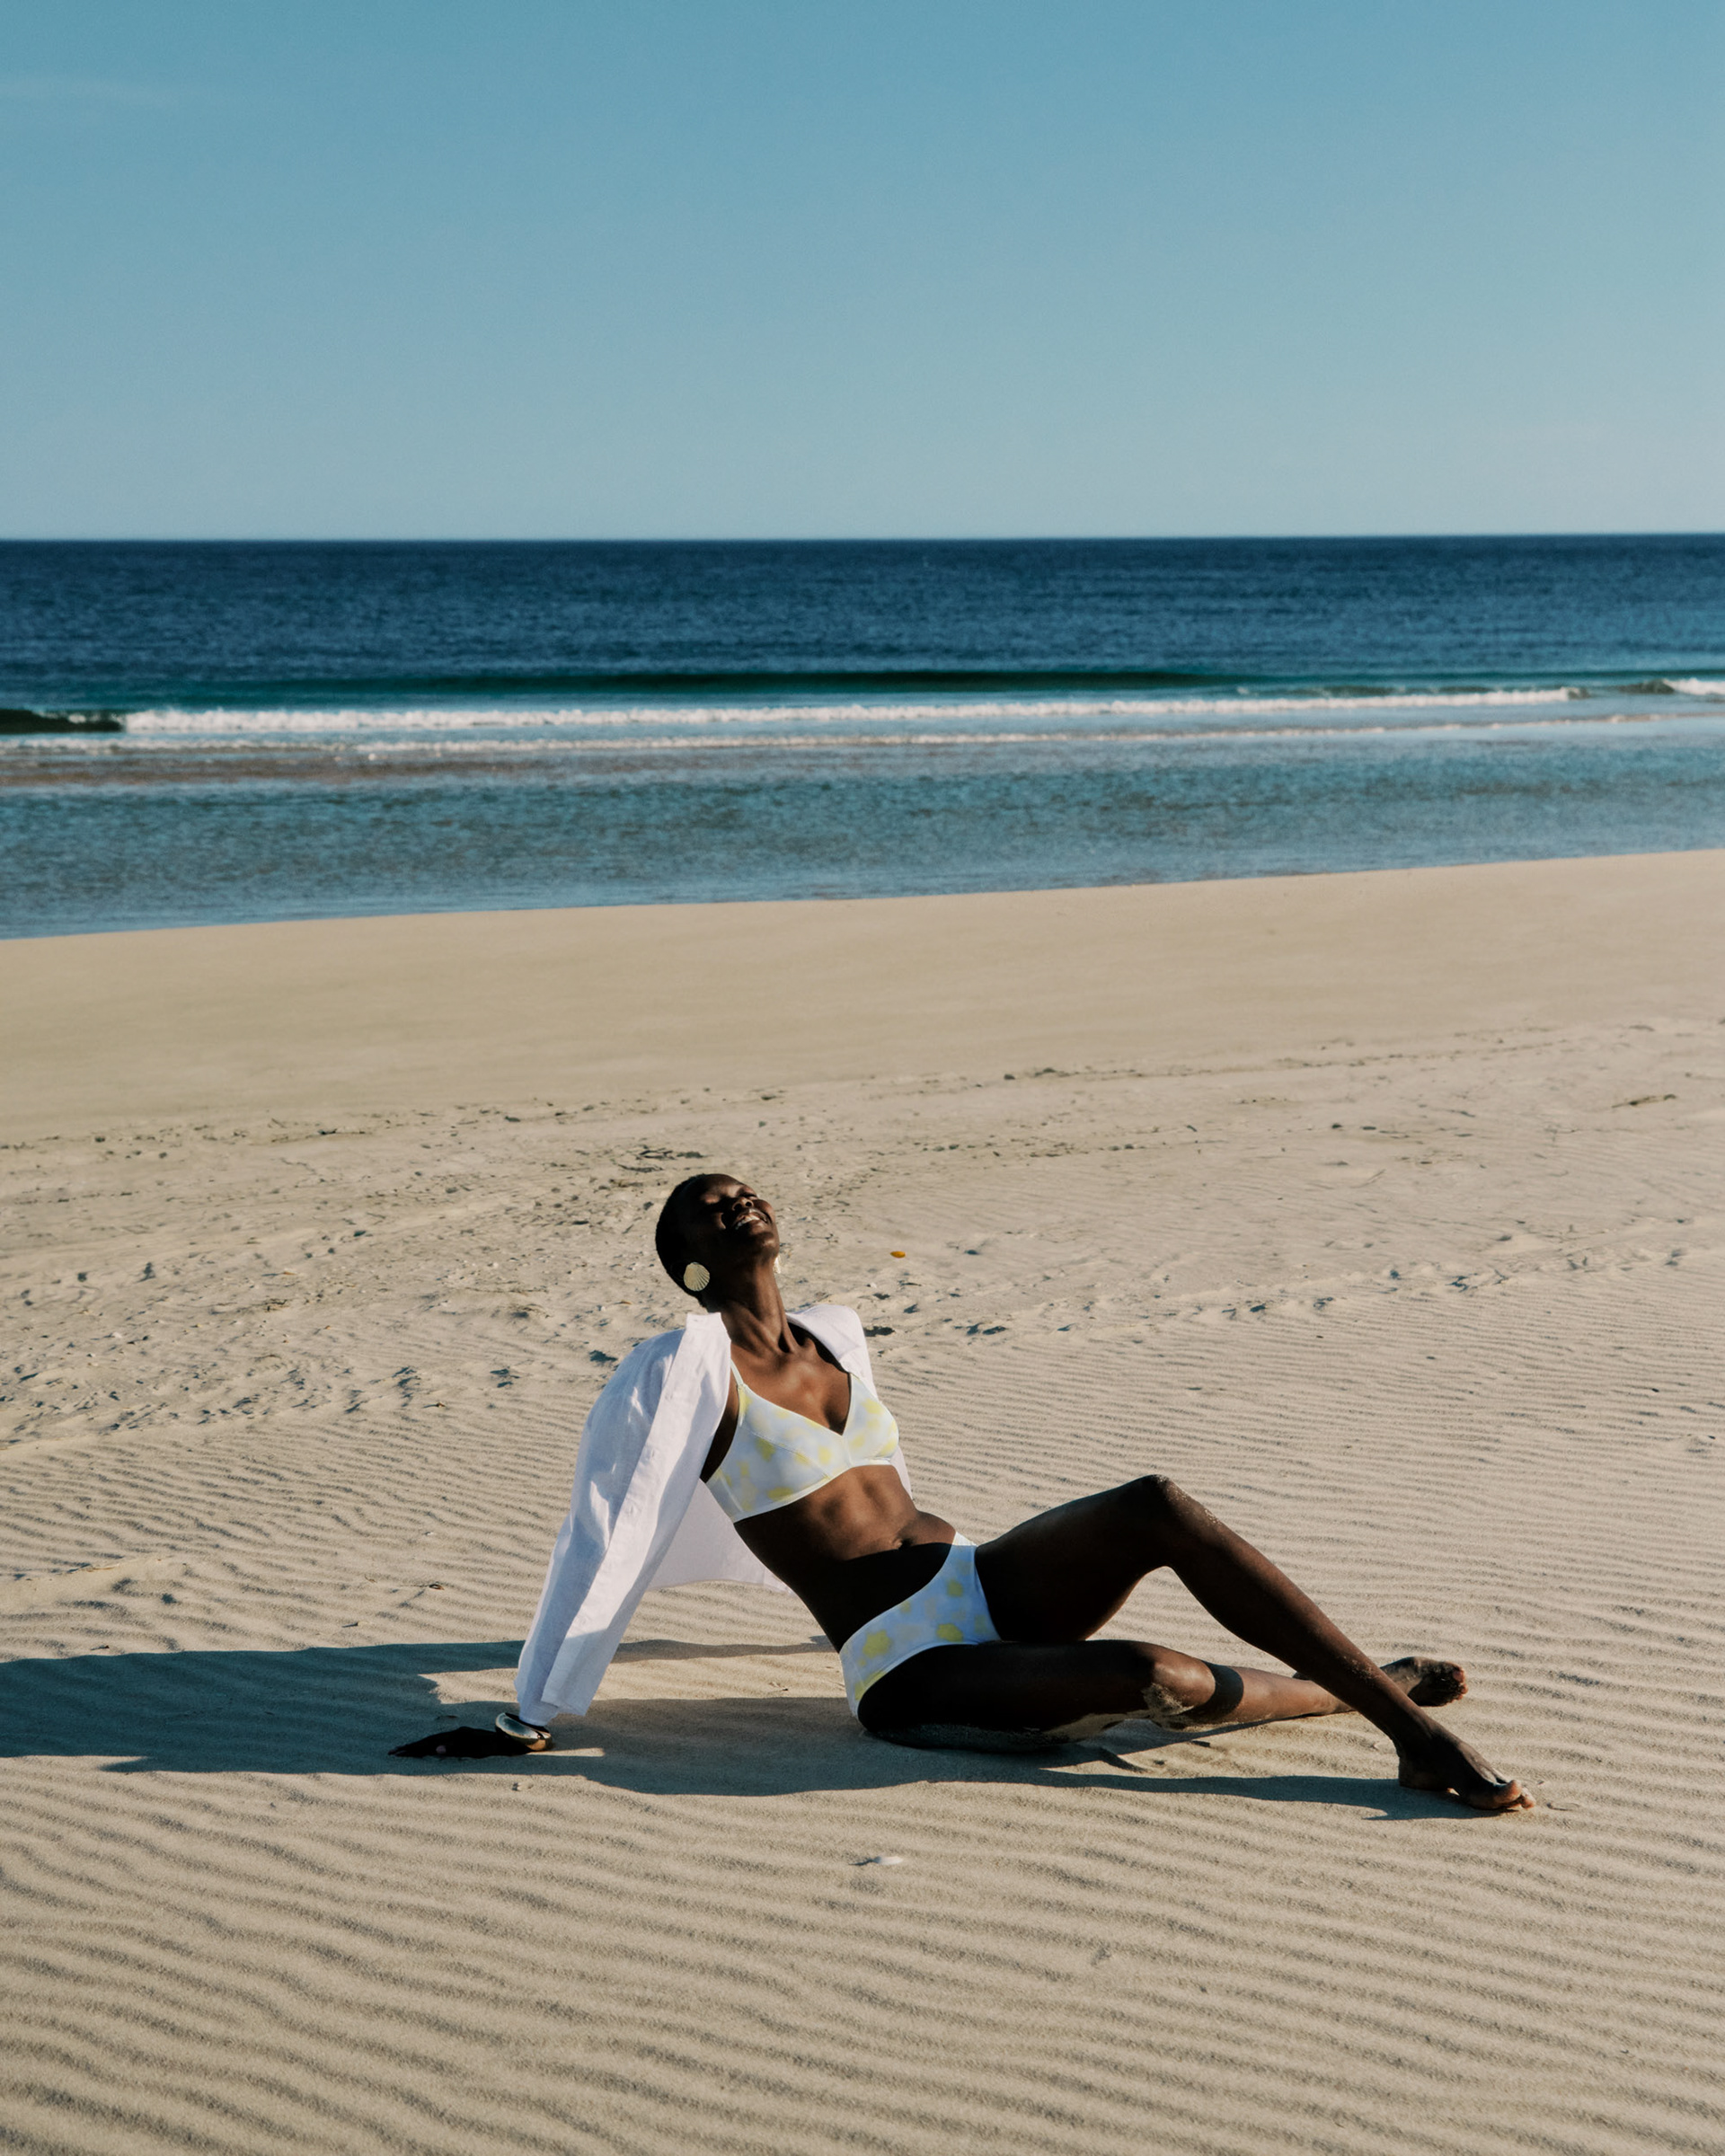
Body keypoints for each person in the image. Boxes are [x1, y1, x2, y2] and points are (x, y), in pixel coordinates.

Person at [505, 1173, 1532, 1812]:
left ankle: (1400, 1724)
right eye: (705, 1207)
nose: (736, 1202)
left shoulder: (835, 1335)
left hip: (976, 1578)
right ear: (686, 1265)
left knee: (1155, 1501)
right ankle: (1383, 1702)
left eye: (741, 1190)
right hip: (908, 1665)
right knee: (1147, 1672)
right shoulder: (681, 1369)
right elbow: (607, 1520)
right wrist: (531, 1712)